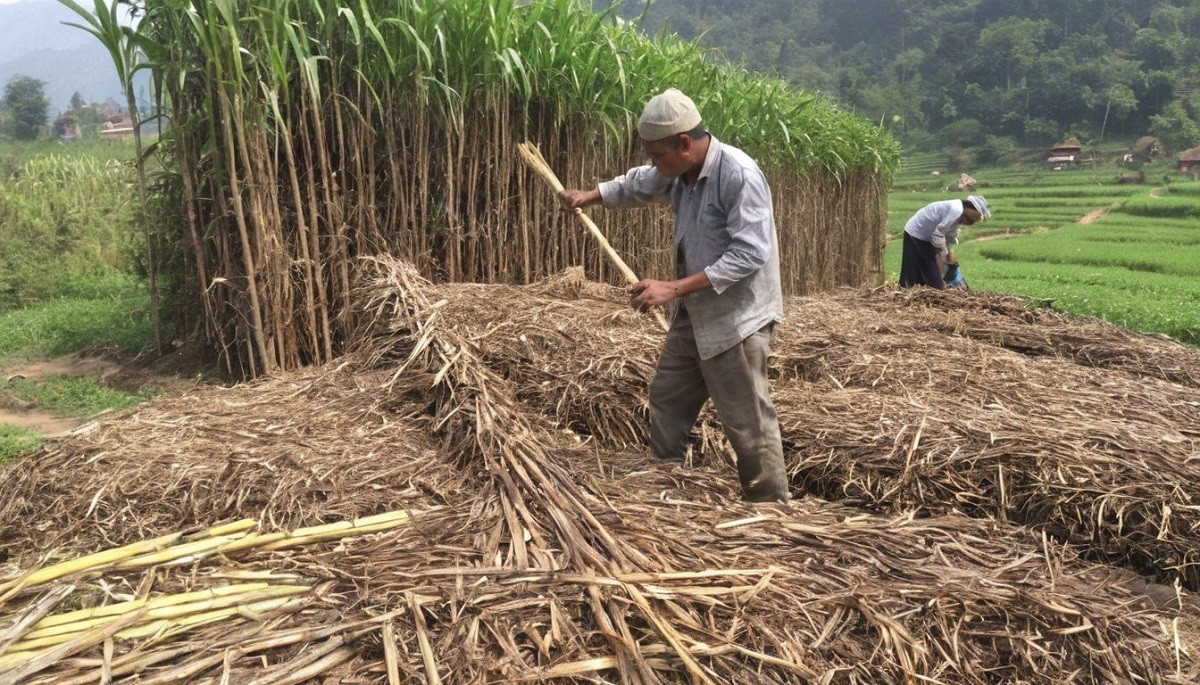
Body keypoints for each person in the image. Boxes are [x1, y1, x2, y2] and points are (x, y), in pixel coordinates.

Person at [561, 88, 788, 503]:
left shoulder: (737, 174)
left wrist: (672, 288)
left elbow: (751, 252)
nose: (653, 165)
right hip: (695, 313)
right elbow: (640, 183)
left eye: (657, 155)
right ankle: (666, 490)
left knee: (747, 424)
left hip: (735, 319)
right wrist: (590, 196)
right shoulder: (680, 171)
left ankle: (770, 511)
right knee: (667, 397)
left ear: (684, 142)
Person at [899, 195, 991, 289]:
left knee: (930, 269)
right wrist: (943, 253)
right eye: (970, 220)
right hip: (916, 232)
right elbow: (938, 234)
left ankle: (927, 287)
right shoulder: (956, 209)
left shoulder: (961, 213)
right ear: (971, 208)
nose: (970, 223)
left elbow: (951, 233)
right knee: (920, 269)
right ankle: (910, 288)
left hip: (927, 236)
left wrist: (948, 252)